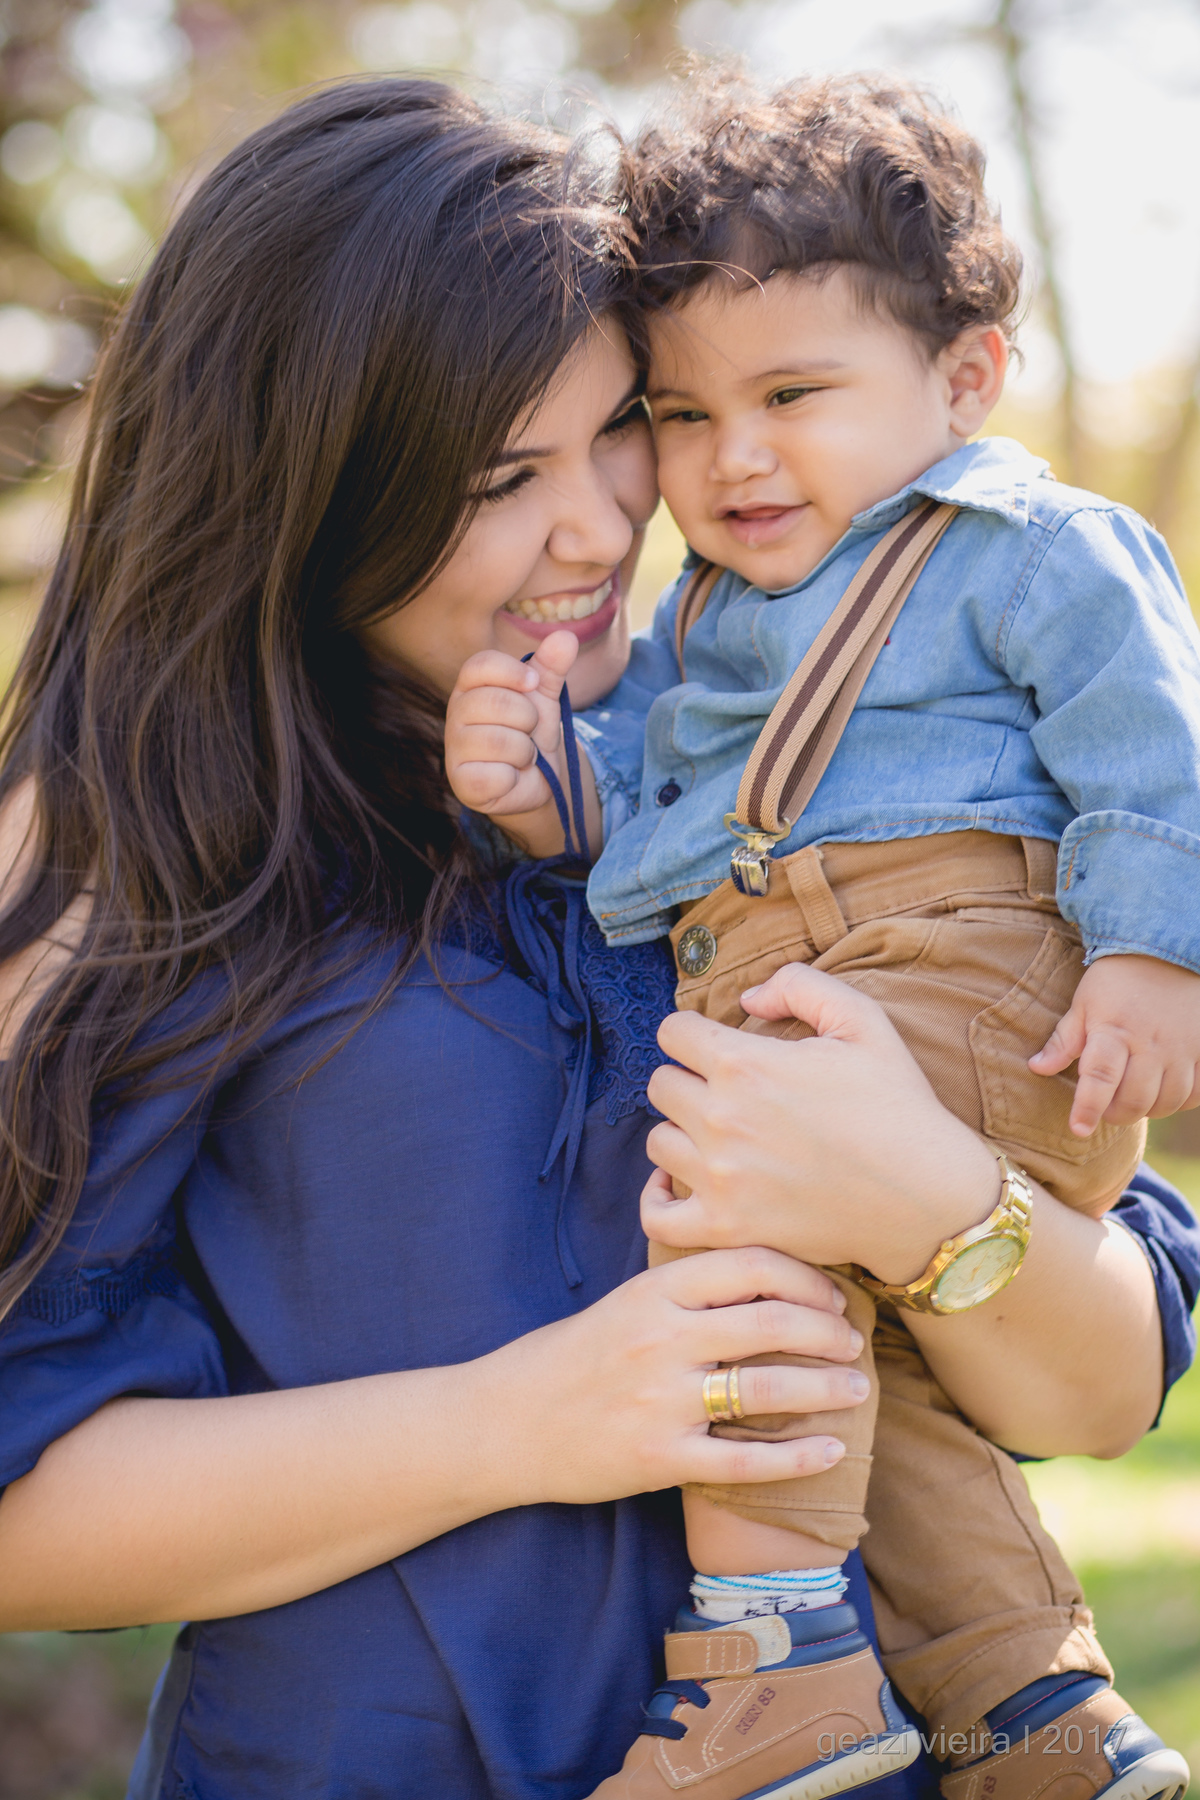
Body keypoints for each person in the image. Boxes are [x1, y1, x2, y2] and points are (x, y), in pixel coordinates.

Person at [0, 74, 1195, 1800]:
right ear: (306, 484)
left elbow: (1099, 1396)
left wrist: (931, 1202)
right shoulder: (120, 849)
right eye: (502, 476)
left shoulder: (744, 759)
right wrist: (528, 1420)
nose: (605, 526)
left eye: (622, 428)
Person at [443, 72, 1200, 1800]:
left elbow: (1154, 750)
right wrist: (549, 788)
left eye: (792, 395)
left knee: (734, 1226)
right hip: (827, 982)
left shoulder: (1023, 546)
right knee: (882, 1385)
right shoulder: (709, 620)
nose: (734, 457)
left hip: (966, 977)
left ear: (966, 377)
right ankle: (1037, 1718)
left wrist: (1157, 957)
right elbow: (658, 819)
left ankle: (773, 1658)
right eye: (684, 413)